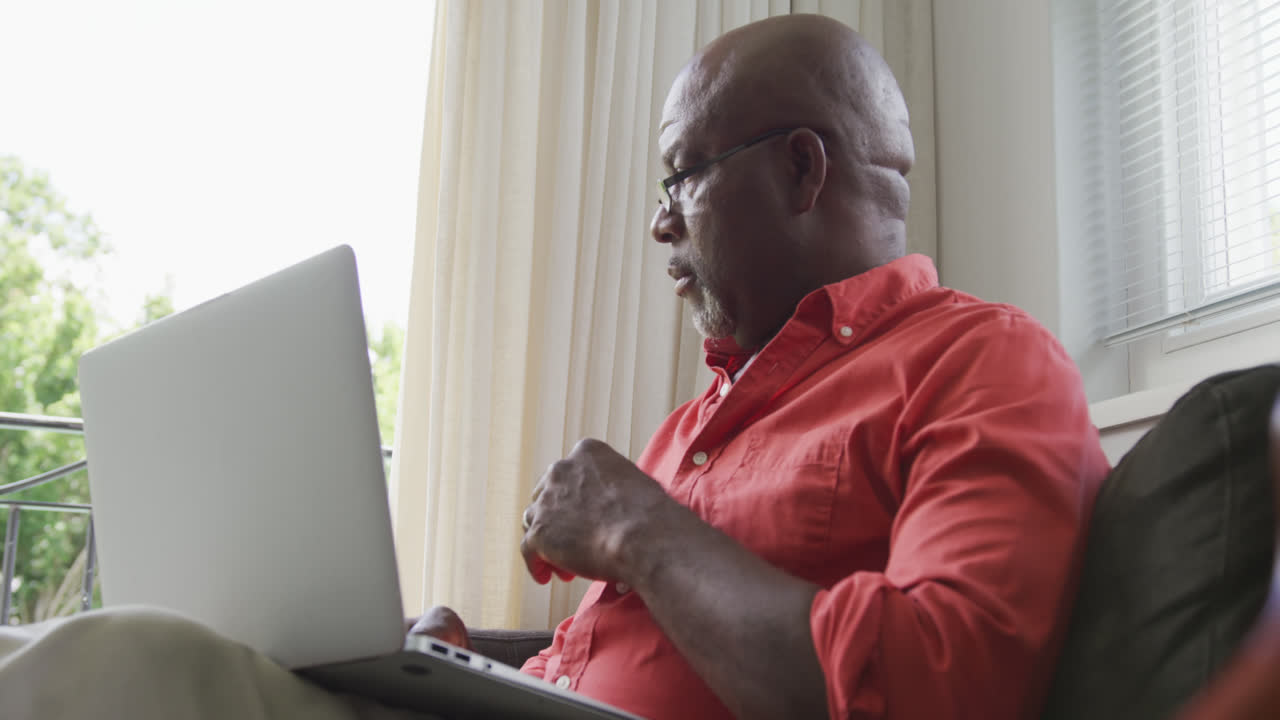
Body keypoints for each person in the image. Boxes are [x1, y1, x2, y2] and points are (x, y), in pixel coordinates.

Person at [413, 14, 1108, 720]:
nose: (661, 223)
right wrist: (455, 680)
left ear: (801, 169)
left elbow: (944, 684)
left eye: (681, 176)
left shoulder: (982, 363)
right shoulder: (690, 427)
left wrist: (635, 527)